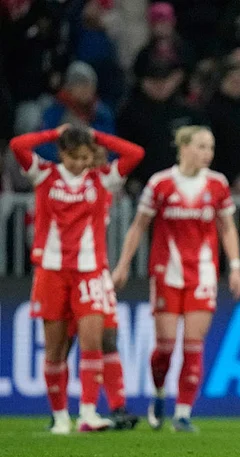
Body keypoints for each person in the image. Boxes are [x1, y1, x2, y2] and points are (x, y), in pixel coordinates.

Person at [10, 124, 144, 434]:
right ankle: (59, 418)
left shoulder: (101, 180)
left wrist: (97, 137)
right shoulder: (44, 174)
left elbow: (135, 153)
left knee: (93, 343)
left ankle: (87, 413)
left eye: (87, 157)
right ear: (62, 153)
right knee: (55, 350)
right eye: (75, 158)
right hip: (51, 272)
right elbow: (18, 144)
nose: (82, 163)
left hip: (90, 272)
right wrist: (53, 133)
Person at [112, 126, 240, 433]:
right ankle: (159, 394)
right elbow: (138, 226)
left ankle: (183, 413)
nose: (207, 154)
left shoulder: (218, 184)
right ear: (183, 147)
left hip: (202, 273)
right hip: (166, 272)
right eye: (200, 146)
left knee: (193, 345)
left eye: (210, 148)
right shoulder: (160, 183)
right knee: (166, 347)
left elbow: (227, 227)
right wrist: (122, 265)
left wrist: (235, 266)